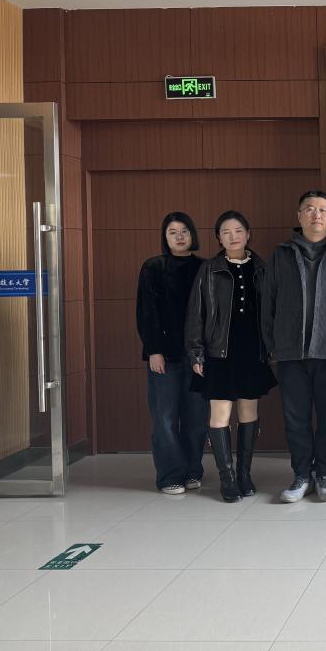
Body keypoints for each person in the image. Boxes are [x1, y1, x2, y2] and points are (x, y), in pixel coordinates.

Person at [262, 190, 326, 504]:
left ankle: (324, 473)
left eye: (323, 210)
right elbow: (268, 302)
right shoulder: (281, 254)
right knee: (296, 418)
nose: (317, 215)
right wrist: (271, 345)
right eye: (310, 209)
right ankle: (301, 474)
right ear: (299, 216)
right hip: (291, 351)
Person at [185, 210, 276, 502]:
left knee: (249, 412)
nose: (233, 236)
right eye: (226, 232)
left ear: (248, 234)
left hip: (252, 351)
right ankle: (227, 478)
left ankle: (244, 474)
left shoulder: (262, 268)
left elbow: (272, 312)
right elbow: (196, 314)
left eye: (238, 231)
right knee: (220, 414)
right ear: (218, 238)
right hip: (218, 353)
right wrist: (196, 353)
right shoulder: (209, 270)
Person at [136, 212, 207, 494]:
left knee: (197, 418)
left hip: (198, 356)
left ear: (193, 234)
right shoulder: (153, 267)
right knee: (165, 418)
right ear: (164, 238)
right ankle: (169, 475)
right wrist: (153, 350)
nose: (179, 237)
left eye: (184, 231)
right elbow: (146, 312)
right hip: (164, 355)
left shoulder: (205, 267)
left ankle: (192, 469)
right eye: (172, 232)